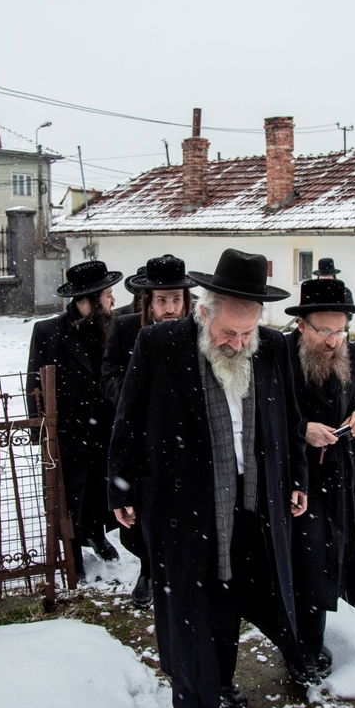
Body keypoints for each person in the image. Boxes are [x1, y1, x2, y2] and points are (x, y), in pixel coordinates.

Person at [108, 248, 309, 708]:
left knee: (232, 602)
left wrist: (296, 481)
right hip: (181, 507)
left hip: (250, 504)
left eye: (247, 334)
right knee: (189, 614)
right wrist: (120, 490)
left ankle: (222, 681)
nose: (239, 344)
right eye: (229, 334)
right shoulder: (160, 345)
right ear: (204, 312)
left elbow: (289, 423)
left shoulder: (273, 351)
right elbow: (127, 420)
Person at [285, 278, 355, 680]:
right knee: (302, 561)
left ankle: (311, 643)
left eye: (340, 330)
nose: (334, 340)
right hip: (295, 477)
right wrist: (302, 429)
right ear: (302, 325)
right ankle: (302, 648)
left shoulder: (353, 355)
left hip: (339, 474)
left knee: (328, 559)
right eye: (324, 330)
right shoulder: (281, 356)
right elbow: (263, 416)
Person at [99, 254, 197, 608]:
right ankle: (149, 569)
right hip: (142, 441)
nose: (170, 308)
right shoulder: (126, 329)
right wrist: (135, 394)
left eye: (176, 300)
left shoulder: (198, 330)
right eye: (162, 301)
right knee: (143, 513)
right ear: (148, 301)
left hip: (188, 440)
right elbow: (108, 376)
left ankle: (184, 573)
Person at [27, 260, 124, 579]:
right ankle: (71, 550)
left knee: (101, 489)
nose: (112, 300)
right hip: (67, 431)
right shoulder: (48, 331)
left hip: (105, 427)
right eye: (108, 294)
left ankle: (96, 535)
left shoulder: (114, 326)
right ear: (90, 300)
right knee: (70, 495)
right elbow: (35, 384)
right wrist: (41, 433)